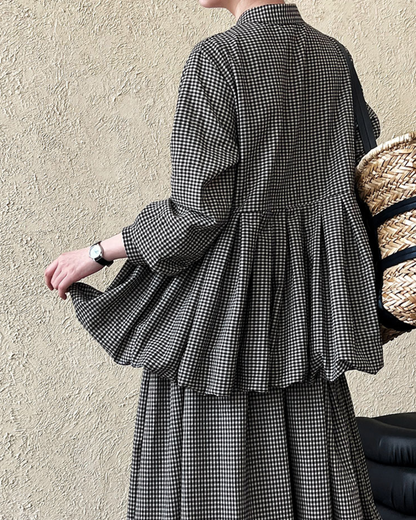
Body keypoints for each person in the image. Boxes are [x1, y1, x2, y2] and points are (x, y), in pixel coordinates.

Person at [44, 1, 384, 518]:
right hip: (307, 318)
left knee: (209, 477)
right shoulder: (334, 57)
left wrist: (99, 252)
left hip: (222, 325)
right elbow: (352, 175)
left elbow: (197, 212)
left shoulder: (217, 59)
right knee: (312, 463)